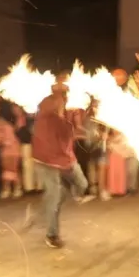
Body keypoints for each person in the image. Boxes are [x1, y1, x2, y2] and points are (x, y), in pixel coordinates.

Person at [32, 80, 94, 248]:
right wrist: (60, 109)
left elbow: (75, 128)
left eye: (65, 92)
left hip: (65, 157)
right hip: (45, 159)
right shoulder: (46, 104)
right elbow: (54, 115)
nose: (63, 96)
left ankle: (63, 196)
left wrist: (85, 130)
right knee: (54, 195)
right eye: (60, 92)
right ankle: (52, 235)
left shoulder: (72, 108)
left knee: (82, 184)